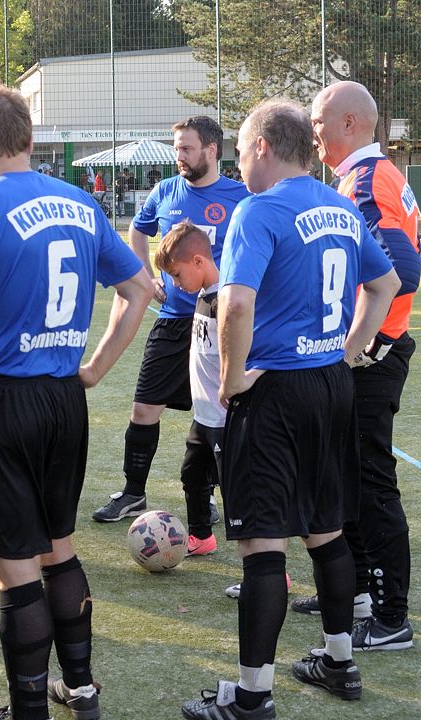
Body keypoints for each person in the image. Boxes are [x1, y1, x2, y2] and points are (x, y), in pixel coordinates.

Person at [0, 80, 152, 720]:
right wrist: (95, 368)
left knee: (15, 564)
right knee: (60, 545)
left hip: (3, 403)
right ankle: (81, 690)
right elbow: (139, 288)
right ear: (29, 139)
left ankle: (28, 709)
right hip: (63, 400)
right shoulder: (82, 203)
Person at [181, 99, 400, 720]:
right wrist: (349, 352)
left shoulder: (259, 209)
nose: (236, 160)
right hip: (331, 384)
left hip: (275, 392)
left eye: (240, 148)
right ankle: (338, 660)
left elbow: (237, 304)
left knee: (263, 549)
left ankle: (251, 696)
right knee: (327, 531)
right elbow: (385, 285)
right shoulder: (339, 205)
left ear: (261, 148)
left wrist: (228, 380)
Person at [295, 81, 419, 650]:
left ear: (348, 123)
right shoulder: (374, 176)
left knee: (371, 484)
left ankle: (392, 616)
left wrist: (359, 345)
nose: (311, 132)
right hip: (377, 352)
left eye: (318, 121)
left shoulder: (367, 181)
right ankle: (360, 592)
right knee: (347, 476)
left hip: (374, 360)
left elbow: (402, 271)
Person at [91, 116, 250, 524]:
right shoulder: (164, 191)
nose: (179, 155)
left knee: (216, 416)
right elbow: (138, 232)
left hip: (218, 325)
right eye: (176, 147)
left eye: (186, 148)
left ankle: (205, 499)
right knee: (144, 408)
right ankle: (133, 493)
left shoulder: (240, 196)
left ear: (212, 150)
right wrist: (146, 275)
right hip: (174, 320)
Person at [152, 221, 223, 558]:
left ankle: (265, 569)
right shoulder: (203, 295)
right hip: (205, 415)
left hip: (227, 417)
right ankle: (201, 536)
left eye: (177, 275)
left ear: (198, 262)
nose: (175, 284)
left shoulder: (224, 300)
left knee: (241, 492)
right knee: (192, 473)